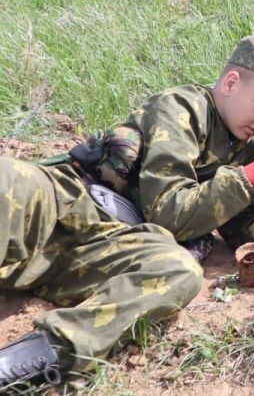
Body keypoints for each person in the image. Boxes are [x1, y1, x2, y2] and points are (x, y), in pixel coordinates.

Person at [62, 35, 254, 258]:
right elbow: (165, 215)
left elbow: (241, 237)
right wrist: (249, 177)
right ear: (230, 83)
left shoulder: (253, 144)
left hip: (130, 230)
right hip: (75, 205)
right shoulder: (180, 111)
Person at [0, 155, 202, 389]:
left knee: (180, 268)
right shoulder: (186, 119)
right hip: (65, 202)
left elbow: (247, 231)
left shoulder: (249, 147)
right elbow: (169, 210)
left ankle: (29, 359)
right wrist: (249, 177)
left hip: (109, 243)